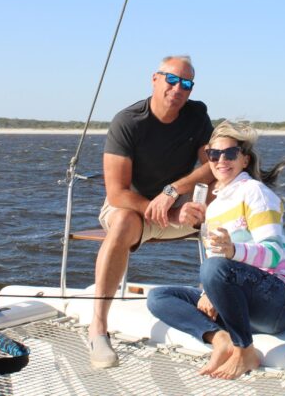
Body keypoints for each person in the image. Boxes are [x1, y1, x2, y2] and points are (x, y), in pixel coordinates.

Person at [147, 121, 285, 380]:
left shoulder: (255, 192)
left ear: (244, 159)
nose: (222, 160)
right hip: (244, 304)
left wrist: (232, 252)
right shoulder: (216, 205)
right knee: (158, 297)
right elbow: (219, 264)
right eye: (214, 154)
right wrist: (210, 289)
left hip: (280, 304)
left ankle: (245, 350)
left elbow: (274, 253)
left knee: (212, 268)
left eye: (230, 153)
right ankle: (221, 340)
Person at [88, 55, 214, 368]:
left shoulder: (197, 115)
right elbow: (117, 193)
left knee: (223, 201)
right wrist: (164, 212)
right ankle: (98, 329)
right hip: (131, 206)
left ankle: (219, 299)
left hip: (176, 203)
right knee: (123, 223)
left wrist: (173, 192)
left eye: (186, 83)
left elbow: (213, 166)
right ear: (154, 79)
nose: (178, 88)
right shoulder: (128, 121)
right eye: (171, 79)